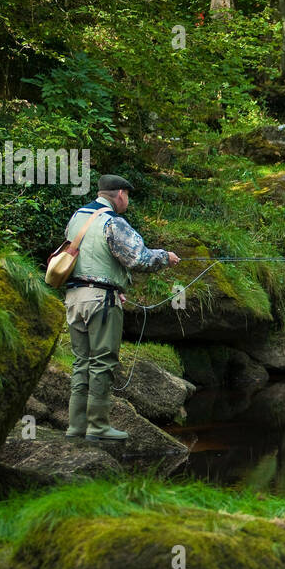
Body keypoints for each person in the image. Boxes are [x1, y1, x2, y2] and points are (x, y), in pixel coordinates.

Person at [62, 174, 180, 440]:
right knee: (102, 361)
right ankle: (98, 426)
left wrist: (113, 286)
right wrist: (166, 257)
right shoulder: (113, 222)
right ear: (120, 194)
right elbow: (139, 259)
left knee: (81, 362)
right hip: (100, 303)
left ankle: (76, 426)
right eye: (128, 195)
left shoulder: (77, 217)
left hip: (74, 298)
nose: (128, 200)